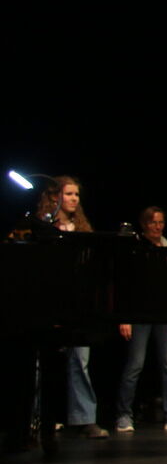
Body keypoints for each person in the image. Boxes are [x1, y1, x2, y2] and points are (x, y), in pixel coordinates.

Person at [36, 176, 106, 438]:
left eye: (77, 194)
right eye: (69, 194)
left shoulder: (81, 229)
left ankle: (84, 418)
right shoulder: (44, 226)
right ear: (56, 197)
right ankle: (42, 418)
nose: (74, 199)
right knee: (43, 362)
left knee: (80, 360)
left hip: (77, 302)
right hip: (49, 300)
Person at [115, 207, 167, 433]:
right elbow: (126, 286)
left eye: (161, 222)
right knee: (135, 365)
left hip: (164, 314)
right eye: (153, 222)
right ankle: (124, 415)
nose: (158, 227)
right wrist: (124, 317)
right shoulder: (135, 248)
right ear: (144, 224)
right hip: (139, 314)